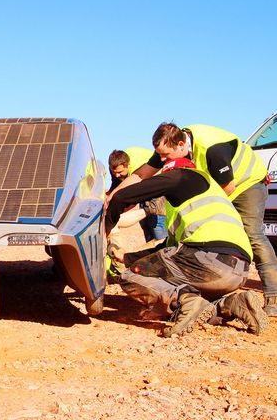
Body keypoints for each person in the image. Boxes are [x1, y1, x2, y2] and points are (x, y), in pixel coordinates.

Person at [109, 122, 277, 317]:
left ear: (181, 145)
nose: (162, 161)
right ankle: (225, 305)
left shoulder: (212, 150)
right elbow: (142, 174)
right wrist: (112, 195)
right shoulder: (169, 146)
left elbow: (226, 188)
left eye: (166, 156)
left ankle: (273, 298)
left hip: (246, 183)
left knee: (253, 236)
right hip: (218, 201)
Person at [108, 147, 167, 243]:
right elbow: (115, 185)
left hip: (157, 179)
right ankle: (150, 249)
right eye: (114, 172)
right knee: (145, 222)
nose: (117, 175)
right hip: (145, 182)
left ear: (128, 165)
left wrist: (114, 214)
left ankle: (162, 244)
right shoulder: (116, 163)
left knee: (156, 220)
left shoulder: (137, 169)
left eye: (120, 172)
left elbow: (131, 200)